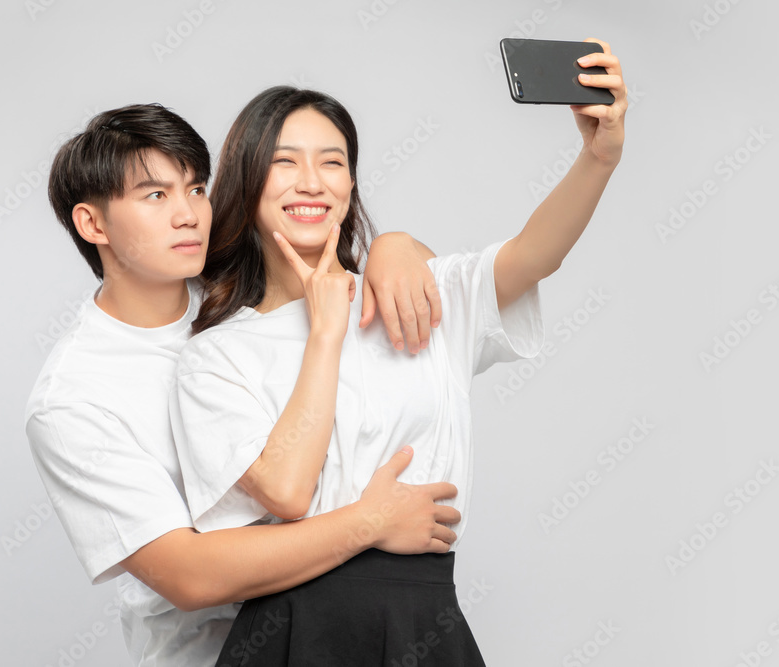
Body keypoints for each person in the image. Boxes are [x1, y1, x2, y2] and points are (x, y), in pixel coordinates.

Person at [173, 40, 627, 665]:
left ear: (350, 182)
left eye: (332, 162)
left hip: (422, 618)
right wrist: (327, 332)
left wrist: (598, 158)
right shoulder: (216, 356)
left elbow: (532, 256)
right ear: (249, 181)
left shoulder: (415, 296)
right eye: (285, 162)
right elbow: (284, 491)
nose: (311, 182)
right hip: (287, 631)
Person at [25, 103, 463, 666]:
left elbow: (381, 275)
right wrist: (369, 521)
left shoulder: (245, 292)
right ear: (93, 224)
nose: (189, 215)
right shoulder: (73, 399)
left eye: (198, 189)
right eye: (156, 196)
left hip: (344, 631)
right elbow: (189, 575)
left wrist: (393, 245)